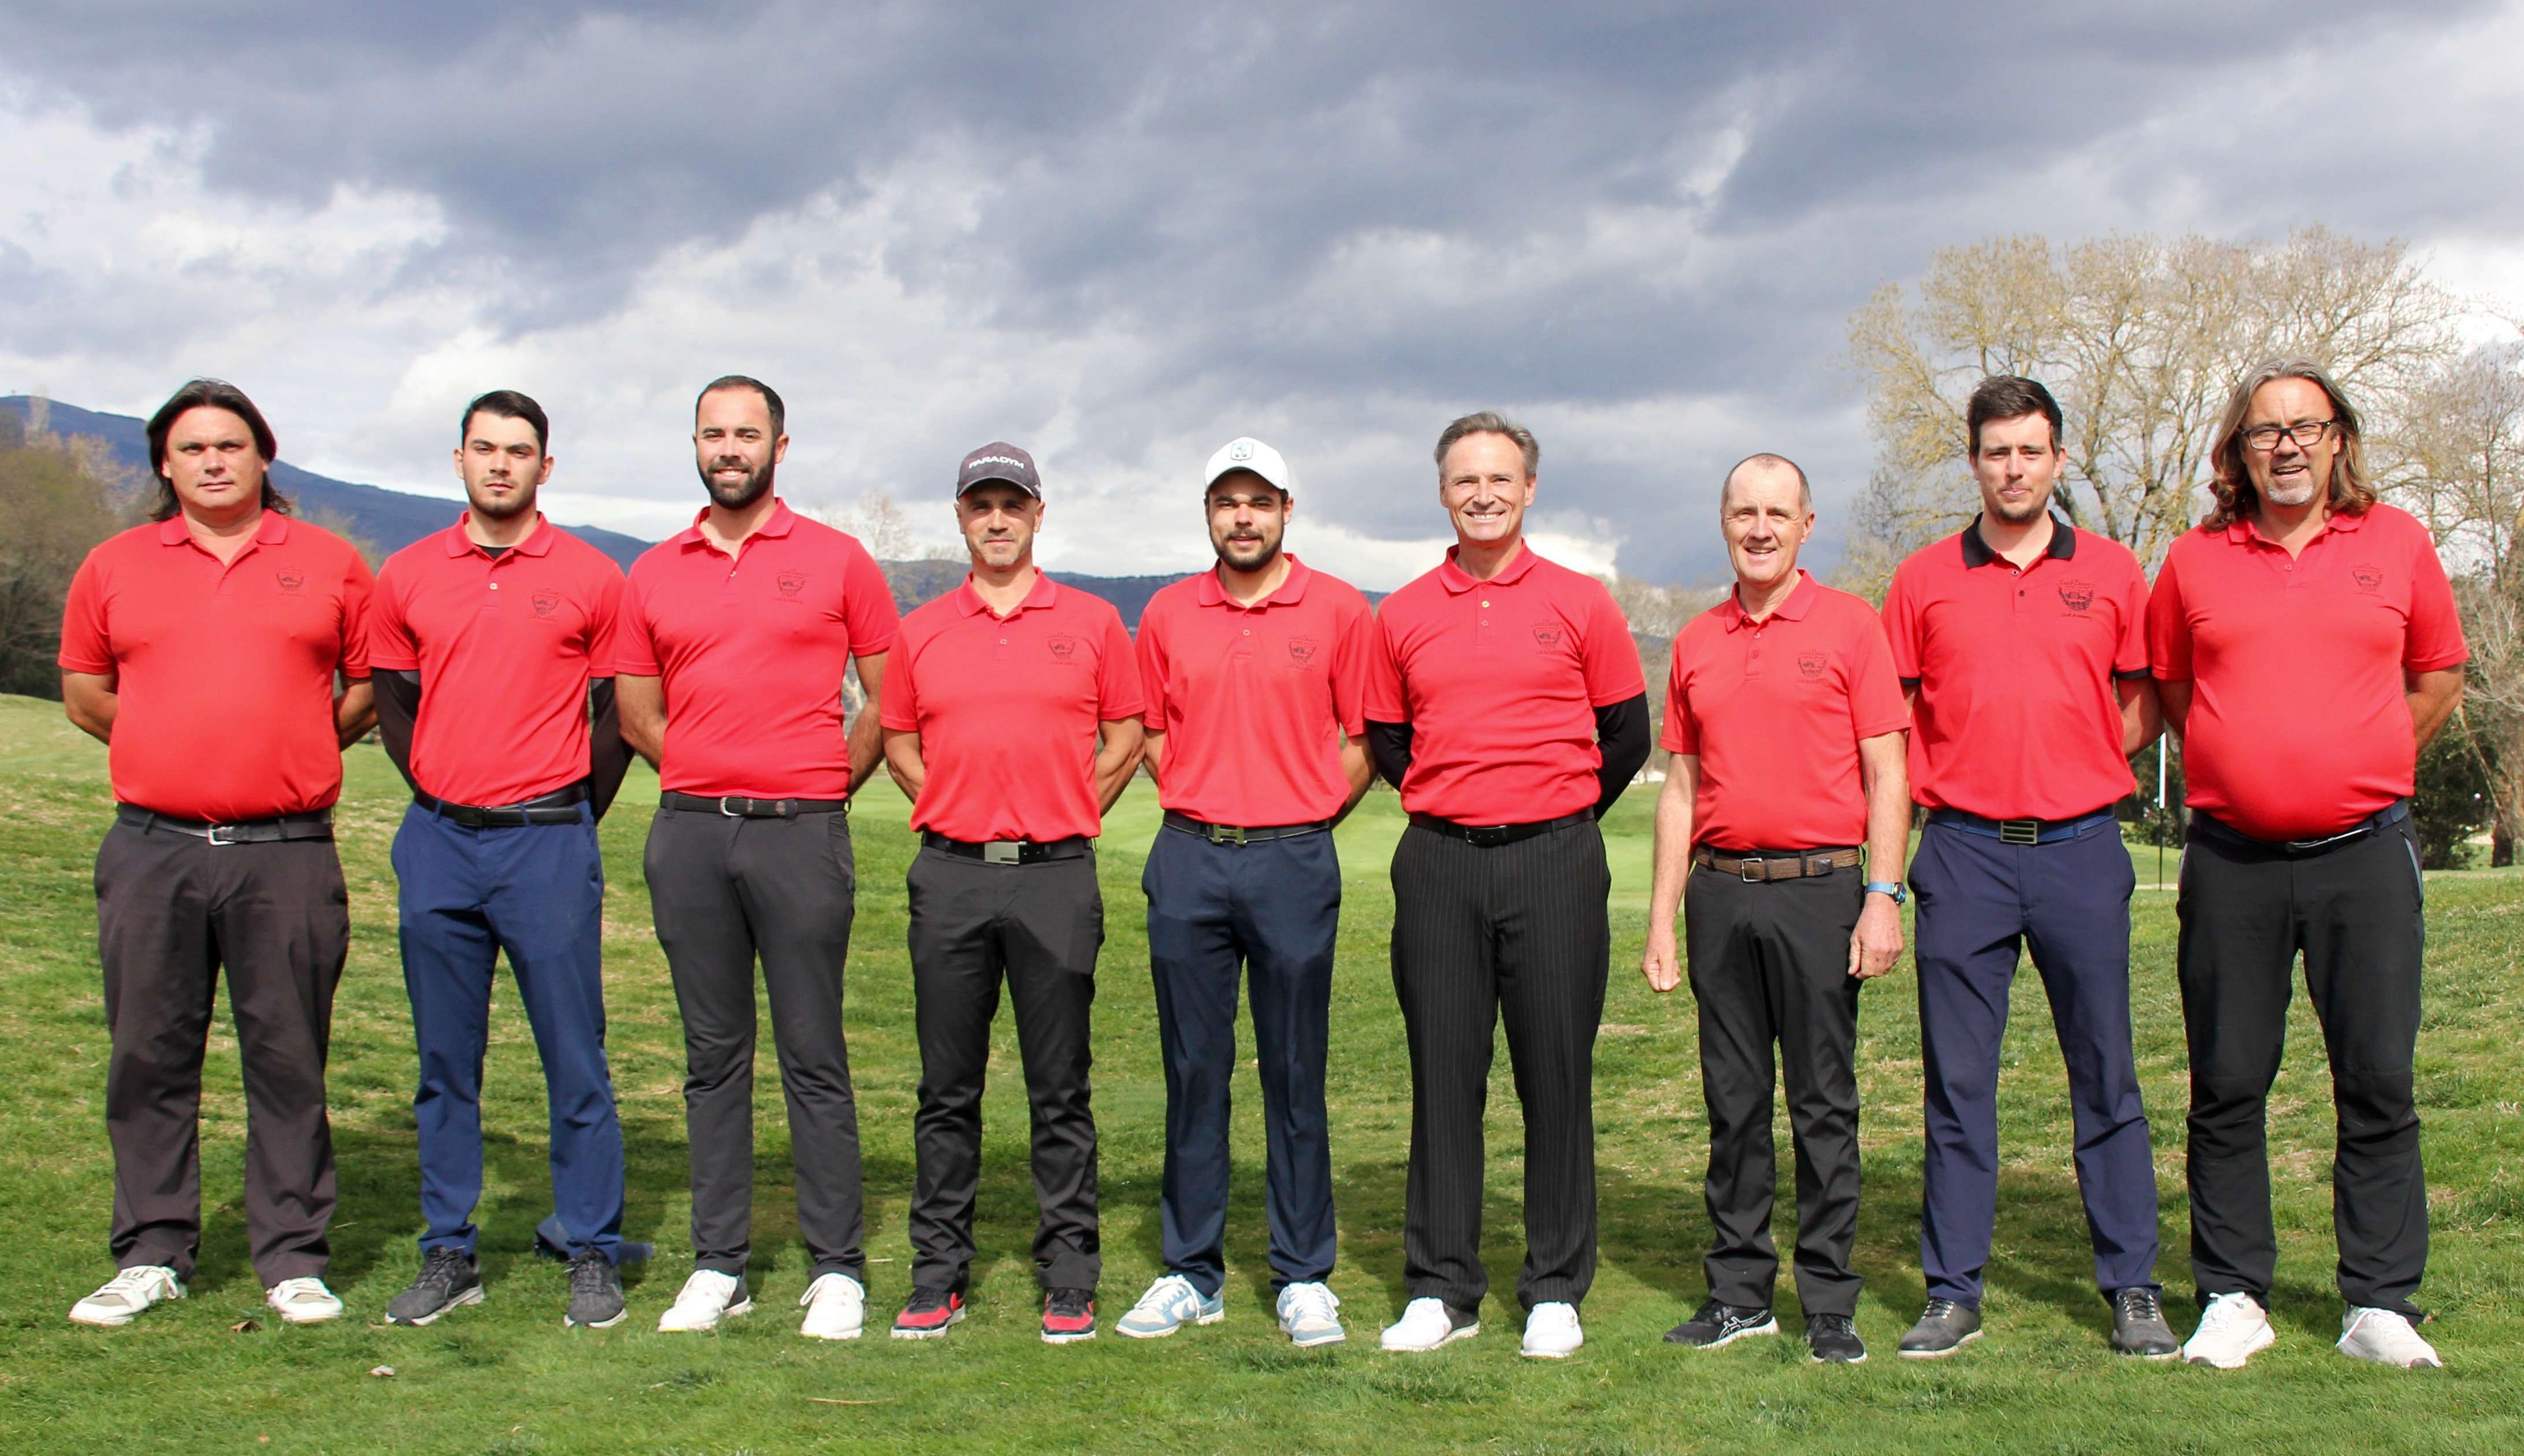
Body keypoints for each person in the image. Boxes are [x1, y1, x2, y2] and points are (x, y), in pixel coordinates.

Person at [2149, 359, 2467, 1370]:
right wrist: (2252, 762)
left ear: (2338, 439)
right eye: (2265, 430)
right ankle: (2232, 1296)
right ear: (2237, 451)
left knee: (2376, 1077)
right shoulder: (2194, 559)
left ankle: (2379, 1301)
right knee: (2227, 1080)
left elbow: (2439, 675)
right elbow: (2173, 689)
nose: (2286, 446)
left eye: (2305, 427)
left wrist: (2361, 759)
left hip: (2364, 858)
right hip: (2232, 862)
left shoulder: (2398, 541)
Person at [59, 379, 375, 1328]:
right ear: (165, 464)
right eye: (192, 448)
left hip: (286, 855)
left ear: (263, 456)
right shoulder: (114, 564)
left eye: (230, 445)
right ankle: (152, 1252)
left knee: (289, 1057)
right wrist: (164, 745)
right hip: (153, 849)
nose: (213, 461)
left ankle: (292, 1258)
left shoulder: (328, 562)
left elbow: (365, 688)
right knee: (148, 1054)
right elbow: (85, 691)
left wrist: (295, 743)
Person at [1878, 376, 2177, 1360]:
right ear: (1973, 461)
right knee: (1959, 1086)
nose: (2014, 468)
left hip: (2081, 851)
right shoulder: (1922, 581)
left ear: (2058, 459)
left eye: (2031, 451)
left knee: (2107, 1074)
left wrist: (2078, 762)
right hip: (1962, 853)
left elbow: (2143, 703)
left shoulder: (2114, 572)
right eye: (1997, 451)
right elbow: (1893, 727)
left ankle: (2133, 1288)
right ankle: (1952, 1291)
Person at [617, 376, 901, 1339]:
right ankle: (719, 1264)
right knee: (713, 1058)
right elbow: (636, 712)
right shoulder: (654, 571)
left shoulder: (837, 560)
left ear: (780, 447)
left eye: (747, 434)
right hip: (691, 835)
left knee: (813, 1053)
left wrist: (823, 785)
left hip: (801, 832)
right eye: (714, 433)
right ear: (696, 445)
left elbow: (887, 698)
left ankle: (837, 1267)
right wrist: (707, 775)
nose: (729, 448)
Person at [1363, 411, 1649, 1360]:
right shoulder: (1403, 612)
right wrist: (1459, 802)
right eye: (1464, 480)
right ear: (1443, 493)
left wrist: (1557, 812)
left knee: (1554, 1077)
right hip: (1440, 864)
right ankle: (1442, 1287)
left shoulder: (1581, 601)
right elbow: (1389, 739)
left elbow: (1627, 734)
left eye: (1499, 478)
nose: (1482, 494)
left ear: (1528, 489)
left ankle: (1555, 1288)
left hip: (1555, 862)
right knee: (1445, 1075)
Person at [368, 390, 638, 1329]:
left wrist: (568, 812)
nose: (499, 464)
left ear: (544, 467)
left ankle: (591, 1248)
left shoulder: (594, 577)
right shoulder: (407, 574)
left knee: (575, 1055)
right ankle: (449, 1251)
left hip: (548, 843)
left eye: (518, 451)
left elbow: (616, 719)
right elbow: (393, 704)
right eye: (484, 448)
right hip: (440, 841)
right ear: (459, 459)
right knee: (445, 1059)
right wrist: (446, 790)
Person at [1642, 454, 1907, 1365]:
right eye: (1744, 513)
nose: (1760, 529)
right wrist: (1661, 920)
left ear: (1806, 525)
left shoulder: (1851, 626)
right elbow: (1681, 790)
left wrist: (1882, 897)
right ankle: (1739, 1295)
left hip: (1821, 892)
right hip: (1721, 894)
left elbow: (1888, 774)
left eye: (1777, 514)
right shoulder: (1696, 641)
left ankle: (1829, 1302)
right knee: (1735, 1104)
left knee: (1823, 1105)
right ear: (1724, 522)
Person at [880, 443, 1144, 1345]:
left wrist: (1073, 806)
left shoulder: (1094, 623)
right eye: (981, 505)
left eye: (1012, 505)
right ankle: (937, 1274)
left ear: (1037, 514)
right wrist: (948, 805)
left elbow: (1126, 735)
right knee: (946, 1090)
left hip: (1055, 877)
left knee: (1059, 1088)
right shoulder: (921, 630)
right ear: (961, 517)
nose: (997, 520)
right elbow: (898, 740)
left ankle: (1069, 1275)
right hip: (951, 875)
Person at [1113, 437, 1373, 1348]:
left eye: (1260, 501)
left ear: (1286, 511)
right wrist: (1200, 795)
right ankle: (1193, 1272)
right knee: (1194, 1070)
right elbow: (1150, 730)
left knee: (1295, 1070)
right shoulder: (1168, 611)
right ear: (1209, 514)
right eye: (1228, 502)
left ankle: (1303, 1274)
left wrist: (1307, 813)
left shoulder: (1339, 608)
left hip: (1293, 861)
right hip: (1191, 856)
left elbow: (1364, 738)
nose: (1243, 517)